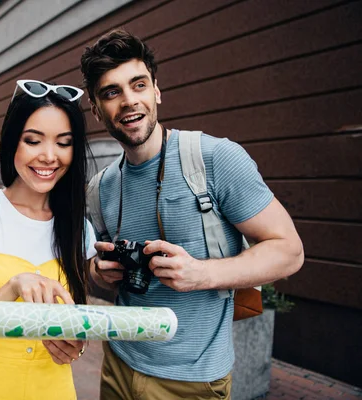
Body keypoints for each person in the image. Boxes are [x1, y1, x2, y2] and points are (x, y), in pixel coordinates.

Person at [80, 29, 304, 399]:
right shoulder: (99, 188)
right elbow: (100, 273)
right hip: (118, 362)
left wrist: (202, 274)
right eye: (111, 92)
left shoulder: (215, 159)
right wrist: (98, 272)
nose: (129, 101)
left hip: (192, 379)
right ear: (95, 107)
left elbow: (290, 251)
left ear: (157, 90)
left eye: (138, 85)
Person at [0, 80, 97, 400]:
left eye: (63, 143)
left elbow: (74, 324)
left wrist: (74, 347)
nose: (49, 156)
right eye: (33, 140)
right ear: (14, 143)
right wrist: (12, 287)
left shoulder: (79, 230)